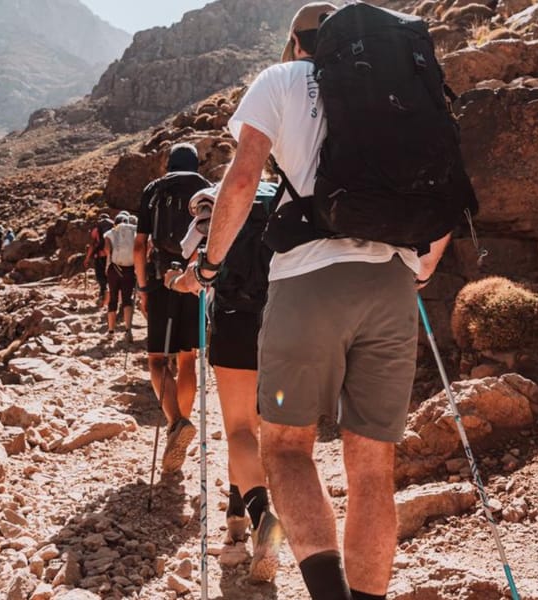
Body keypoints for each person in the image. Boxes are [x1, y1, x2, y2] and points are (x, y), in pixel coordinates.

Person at [174, 4, 452, 599]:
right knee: (373, 467)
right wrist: (422, 268)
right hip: (392, 282)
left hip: (308, 280)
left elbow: (242, 179)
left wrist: (211, 265)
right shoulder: (405, 84)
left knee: (286, 448)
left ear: (297, 44)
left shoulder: (282, 79)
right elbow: (448, 182)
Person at [167, 182, 283, 582]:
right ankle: (236, 513)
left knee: (239, 429)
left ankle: (261, 516)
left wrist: (175, 283)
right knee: (264, 428)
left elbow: (195, 269)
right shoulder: (284, 196)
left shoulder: (216, 199)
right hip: (286, 319)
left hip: (234, 323)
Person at [133, 143, 211, 474]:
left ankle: (176, 423)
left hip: (161, 280)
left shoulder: (154, 189)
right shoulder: (206, 190)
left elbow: (139, 245)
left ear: (168, 163)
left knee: (156, 360)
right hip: (194, 282)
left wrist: (142, 288)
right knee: (187, 358)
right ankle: (183, 425)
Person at [104, 211, 137, 341]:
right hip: (129, 269)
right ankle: (128, 330)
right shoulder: (134, 231)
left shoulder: (110, 233)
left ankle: (111, 331)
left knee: (113, 299)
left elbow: (107, 250)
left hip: (114, 269)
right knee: (127, 299)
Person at [84, 213, 114, 307]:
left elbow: (92, 245)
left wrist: (87, 258)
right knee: (111, 277)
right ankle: (112, 298)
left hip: (101, 256)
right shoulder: (113, 226)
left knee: (101, 278)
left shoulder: (97, 228)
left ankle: (102, 297)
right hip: (113, 256)